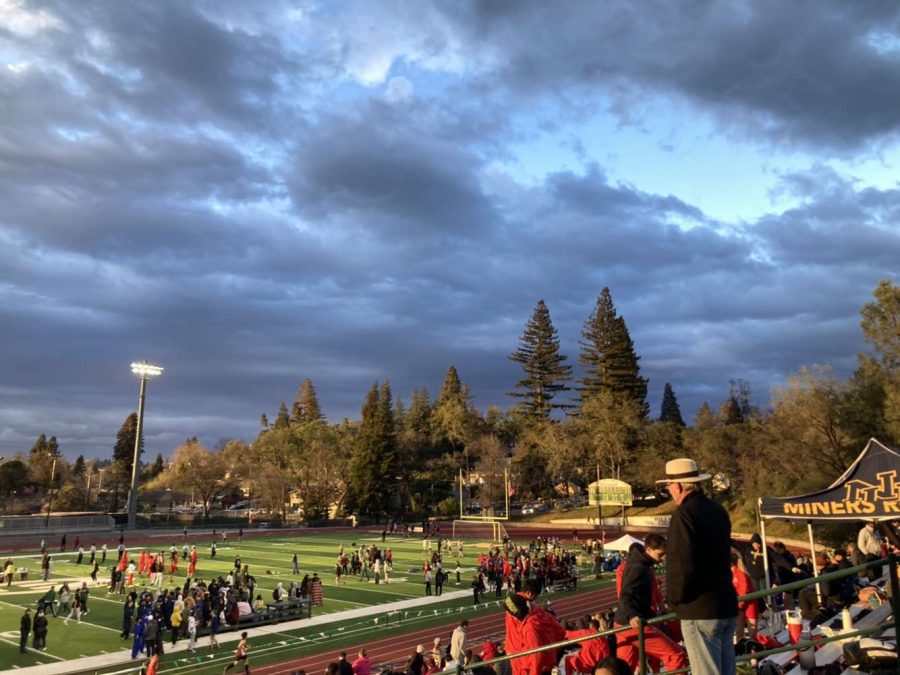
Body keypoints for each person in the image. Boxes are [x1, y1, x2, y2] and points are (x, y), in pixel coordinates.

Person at [660, 458, 738, 675]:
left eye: (668, 487)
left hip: (700, 610)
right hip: (725, 603)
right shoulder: (717, 510)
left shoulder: (684, 515)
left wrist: (674, 600)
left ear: (677, 486)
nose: (670, 491)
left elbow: (681, 565)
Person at [613, 533, 687, 672]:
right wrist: (631, 615)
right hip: (632, 623)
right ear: (648, 549)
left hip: (622, 623)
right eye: (661, 554)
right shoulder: (638, 567)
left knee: (623, 669)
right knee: (676, 655)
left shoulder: (641, 564)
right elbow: (625, 593)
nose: (663, 558)